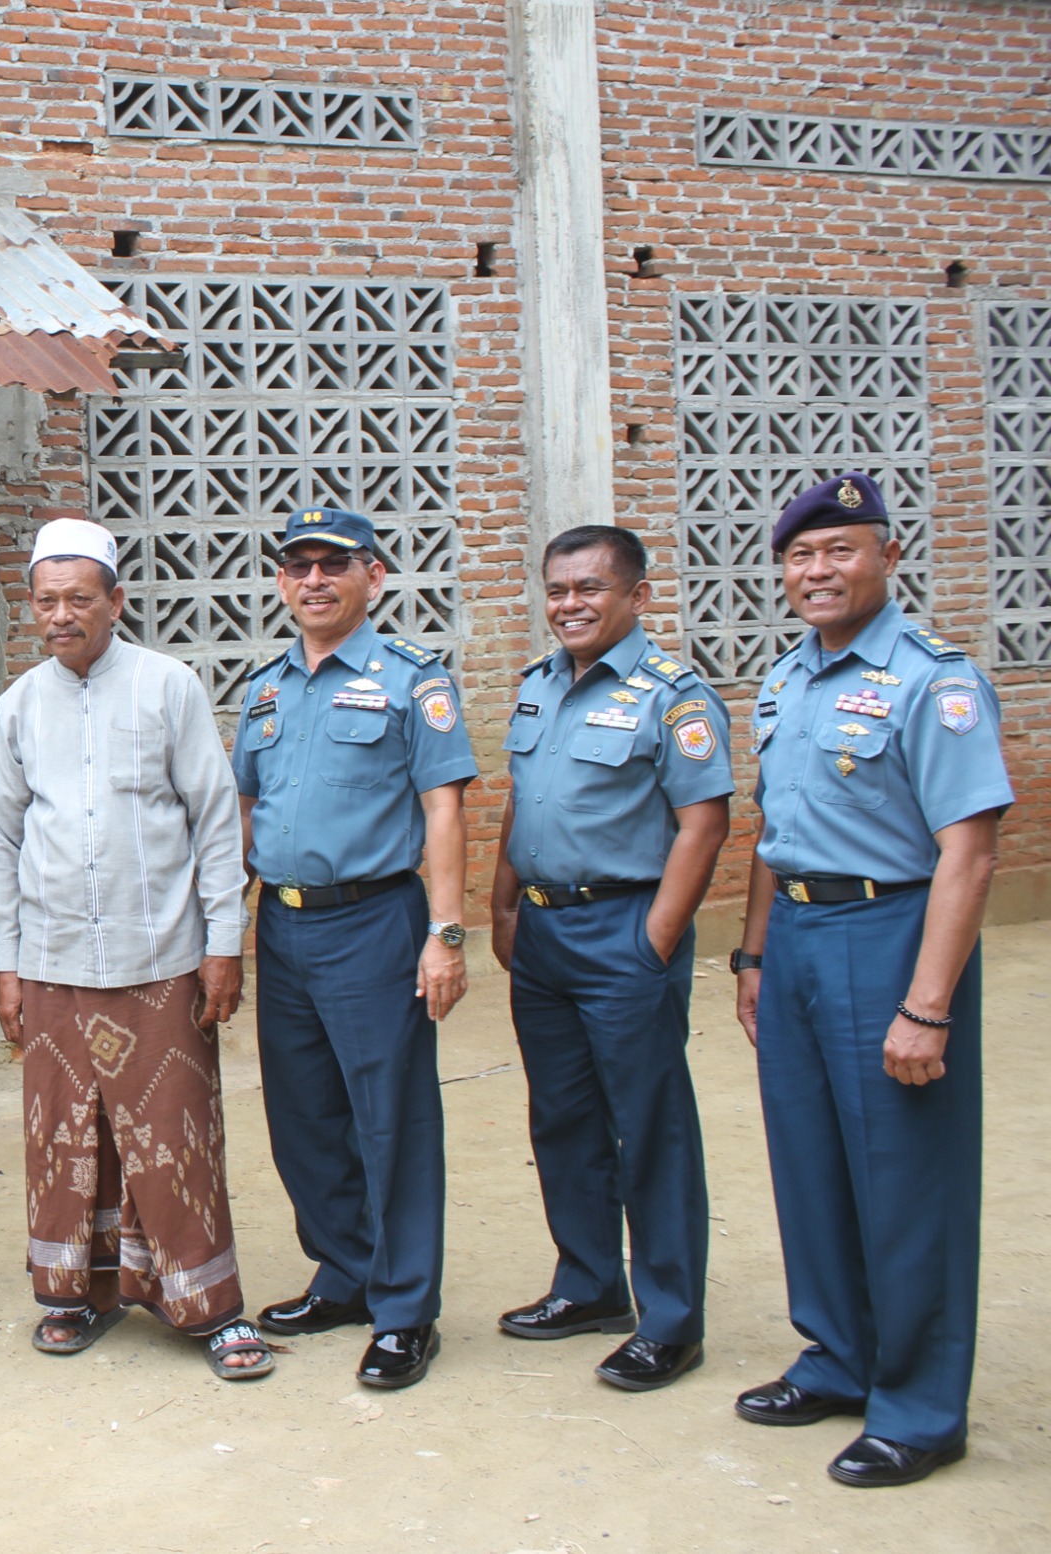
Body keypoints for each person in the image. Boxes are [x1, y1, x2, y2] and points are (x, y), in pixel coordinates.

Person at [730, 473, 1011, 1489]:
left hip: (890, 931)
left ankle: (921, 1405)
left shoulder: (933, 682)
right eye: (801, 556)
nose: (817, 570)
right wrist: (755, 955)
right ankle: (837, 1356)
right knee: (809, 1162)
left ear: (887, 555)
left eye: (839, 549)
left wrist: (926, 1002)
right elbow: (772, 833)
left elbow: (968, 853)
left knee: (905, 1176)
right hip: (799, 933)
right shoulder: (785, 681)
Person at [0, 520, 271, 1378]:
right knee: (65, 1137)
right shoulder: (18, 703)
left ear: (116, 600)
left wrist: (224, 945)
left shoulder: (167, 686)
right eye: (47, 601)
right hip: (53, 962)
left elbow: (217, 824)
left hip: (161, 958)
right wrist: (7, 962)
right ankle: (78, 1296)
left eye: (80, 598)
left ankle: (210, 1309)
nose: (62, 615)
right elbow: (2, 841)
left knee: (174, 1132)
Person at [236, 505, 477, 1390]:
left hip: (376, 922)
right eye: (297, 566)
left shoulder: (413, 680)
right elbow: (247, 810)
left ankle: (408, 1309)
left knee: (392, 1118)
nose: (312, 581)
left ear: (373, 577)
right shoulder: (267, 689)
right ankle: (347, 1274)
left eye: (332, 565)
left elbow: (445, 807)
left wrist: (446, 935)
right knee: (303, 1116)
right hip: (285, 924)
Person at [487, 529, 728, 1393]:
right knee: (563, 1118)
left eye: (591, 587)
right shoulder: (538, 688)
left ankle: (671, 1321)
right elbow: (524, 802)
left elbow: (705, 823)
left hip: (625, 931)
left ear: (638, 596)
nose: (570, 605)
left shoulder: (675, 697)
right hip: (545, 937)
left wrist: (655, 940)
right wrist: (504, 903)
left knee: (650, 1129)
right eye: (557, 589)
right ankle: (590, 1286)